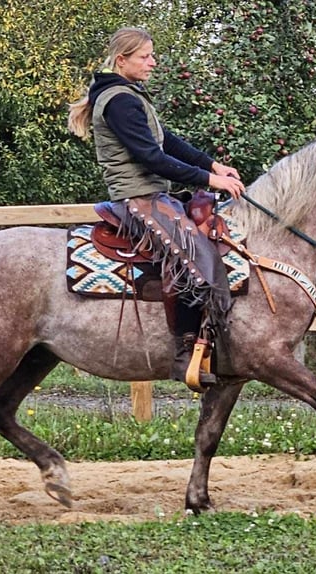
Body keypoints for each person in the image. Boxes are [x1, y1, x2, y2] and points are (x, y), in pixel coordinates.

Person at [68, 26, 245, 387]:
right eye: (145, 56)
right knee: (194, 263)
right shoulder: (119, 100)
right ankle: (185, 354)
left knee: (207, 245)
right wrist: (210, 181)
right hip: (137, 198)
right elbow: (151, 157)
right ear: (122, 60)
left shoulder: (129, 94)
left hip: (153, 195)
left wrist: (212, 165)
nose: (153, 62)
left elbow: (167, 141)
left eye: (152, 55)